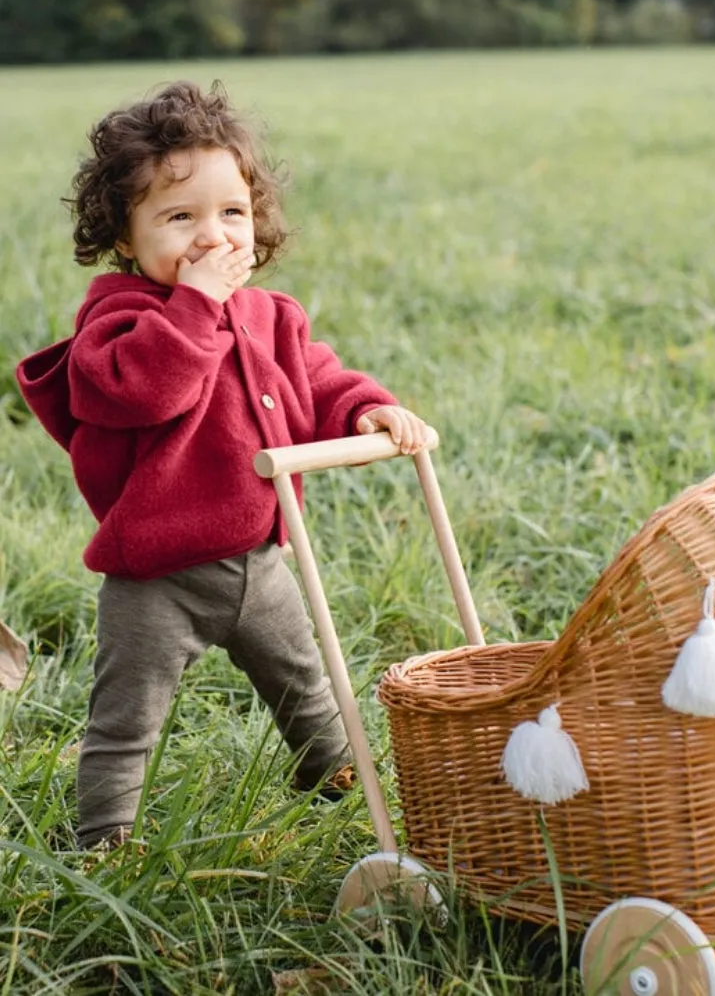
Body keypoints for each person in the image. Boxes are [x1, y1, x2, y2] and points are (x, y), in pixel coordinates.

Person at [16, 80, 433, 850]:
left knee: (306, 682)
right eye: (180, 218)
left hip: (260, 558)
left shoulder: (271, 315)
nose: (213, 239)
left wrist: (364, 407)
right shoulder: (120, 321)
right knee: (127, 714)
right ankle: (105, 832)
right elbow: (145, 389)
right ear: (124, 237)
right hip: (157, 576)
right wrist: (199, 305)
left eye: (231, 214)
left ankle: (333, 774)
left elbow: (316, 377)